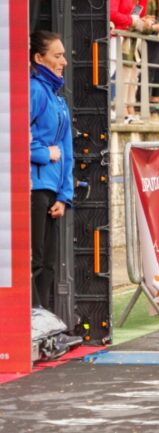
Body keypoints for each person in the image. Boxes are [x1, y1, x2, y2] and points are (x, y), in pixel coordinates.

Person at [29, 31, 74, 311]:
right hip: (33, 189)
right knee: (34, 261)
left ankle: (43, 322)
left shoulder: (58, 99)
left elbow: (66, 150)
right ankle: (30, 323)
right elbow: (11, 136)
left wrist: (64, 195)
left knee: (47, 264)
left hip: (51, 192)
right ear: (38, 58)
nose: (64, 61)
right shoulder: (34, 90)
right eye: (57, 56)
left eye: (64, 55)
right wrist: (43, 154)